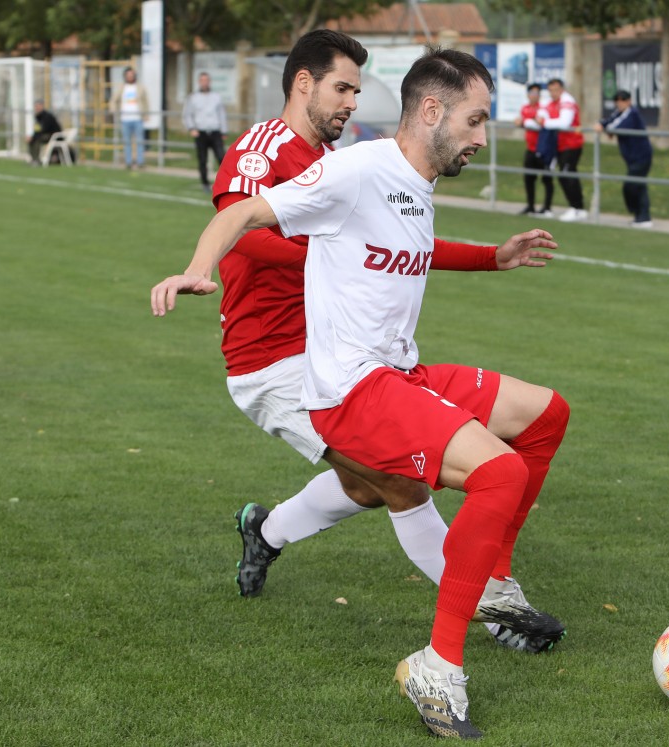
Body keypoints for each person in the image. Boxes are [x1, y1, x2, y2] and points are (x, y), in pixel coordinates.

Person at [152, 48, 570, 739]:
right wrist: (201, 269)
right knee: (439, 480)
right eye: (475, 120)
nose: (482, 138)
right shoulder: (337, 164)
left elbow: (410, 242)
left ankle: (485, 583)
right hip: (313, 374)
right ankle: (453, 649)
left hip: (381, 367)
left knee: (543, 415)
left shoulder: (399, 174)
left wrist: (492, 257)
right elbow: (242, 218)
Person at [596, 90, 653, 228]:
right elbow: (607, 121)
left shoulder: (631, 114)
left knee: (631, 186)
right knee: (639, 186)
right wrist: (604, 126)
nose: (619, 103)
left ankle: (641, 215)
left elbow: (614, 126)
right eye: (617, 101)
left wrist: (606, 129)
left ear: (629, 101)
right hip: (631, 157)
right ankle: (642, 217)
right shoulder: (619, 113)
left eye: (622, 100)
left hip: (641, 156)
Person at [539, 78, 587, 223]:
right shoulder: (551, 102)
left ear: (562, 89)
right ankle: (579, 208)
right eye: (550, 90)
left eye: (556, 90)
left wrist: (545, 122)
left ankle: (576, 207)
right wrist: (543, 119)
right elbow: (541, 113)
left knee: (566, 174)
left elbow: (564, 123)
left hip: (572, 144)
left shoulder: (567, 101)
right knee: (568, 174)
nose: (553, 93)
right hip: (560, 144)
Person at [182, 72, 227, 193]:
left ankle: (225, 183)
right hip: (200, 132)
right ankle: (205, 183)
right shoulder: (193, 97)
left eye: (206, 80)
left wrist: (223, 130)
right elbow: (187, 115)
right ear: (199, 82)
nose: (204, 83)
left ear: (209, 82)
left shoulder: (216, 97)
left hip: (215, 131)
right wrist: (192, 128)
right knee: (203, 159)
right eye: (202, 80)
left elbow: (221, 114)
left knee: (222, 158)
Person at [514, 83, 553, 217]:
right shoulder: (525, 108)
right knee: (529, 178)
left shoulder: (543, 108)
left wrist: (525, 122)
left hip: (543, 149)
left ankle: (547, 208)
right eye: (532, 93)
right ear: (528, 94)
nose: (534, 96)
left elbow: (538, 124)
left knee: (546, 179)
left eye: (537, 94)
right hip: (530, 148)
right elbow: (520, 121)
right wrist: (528, 121)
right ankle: (530, 206)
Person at [111, 67, 148, 169]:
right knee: (127, 142)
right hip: (125, 119)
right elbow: (114, 100)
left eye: (132, 75)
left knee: (139, 141)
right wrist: (114, 110)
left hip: (137, 118)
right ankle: (128, 162)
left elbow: (145, 101)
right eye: (128, 75)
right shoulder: (122, 88)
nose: (130, 77)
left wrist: (145, 114)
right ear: (125, 76)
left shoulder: (140, 87)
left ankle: (140, 162)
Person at [28, 100, 63, 166]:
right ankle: (34, 159)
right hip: (46, 135)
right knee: (31, 141)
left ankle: (36, 161)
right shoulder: (38, 117)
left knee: (37, 140)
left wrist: (33, 137)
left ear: (42, 106)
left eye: (38, 106)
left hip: (54, 136)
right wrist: (32, 137)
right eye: (36, 107)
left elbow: (44, 129)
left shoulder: (47, 116)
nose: (36, 108)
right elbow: (37, 130)